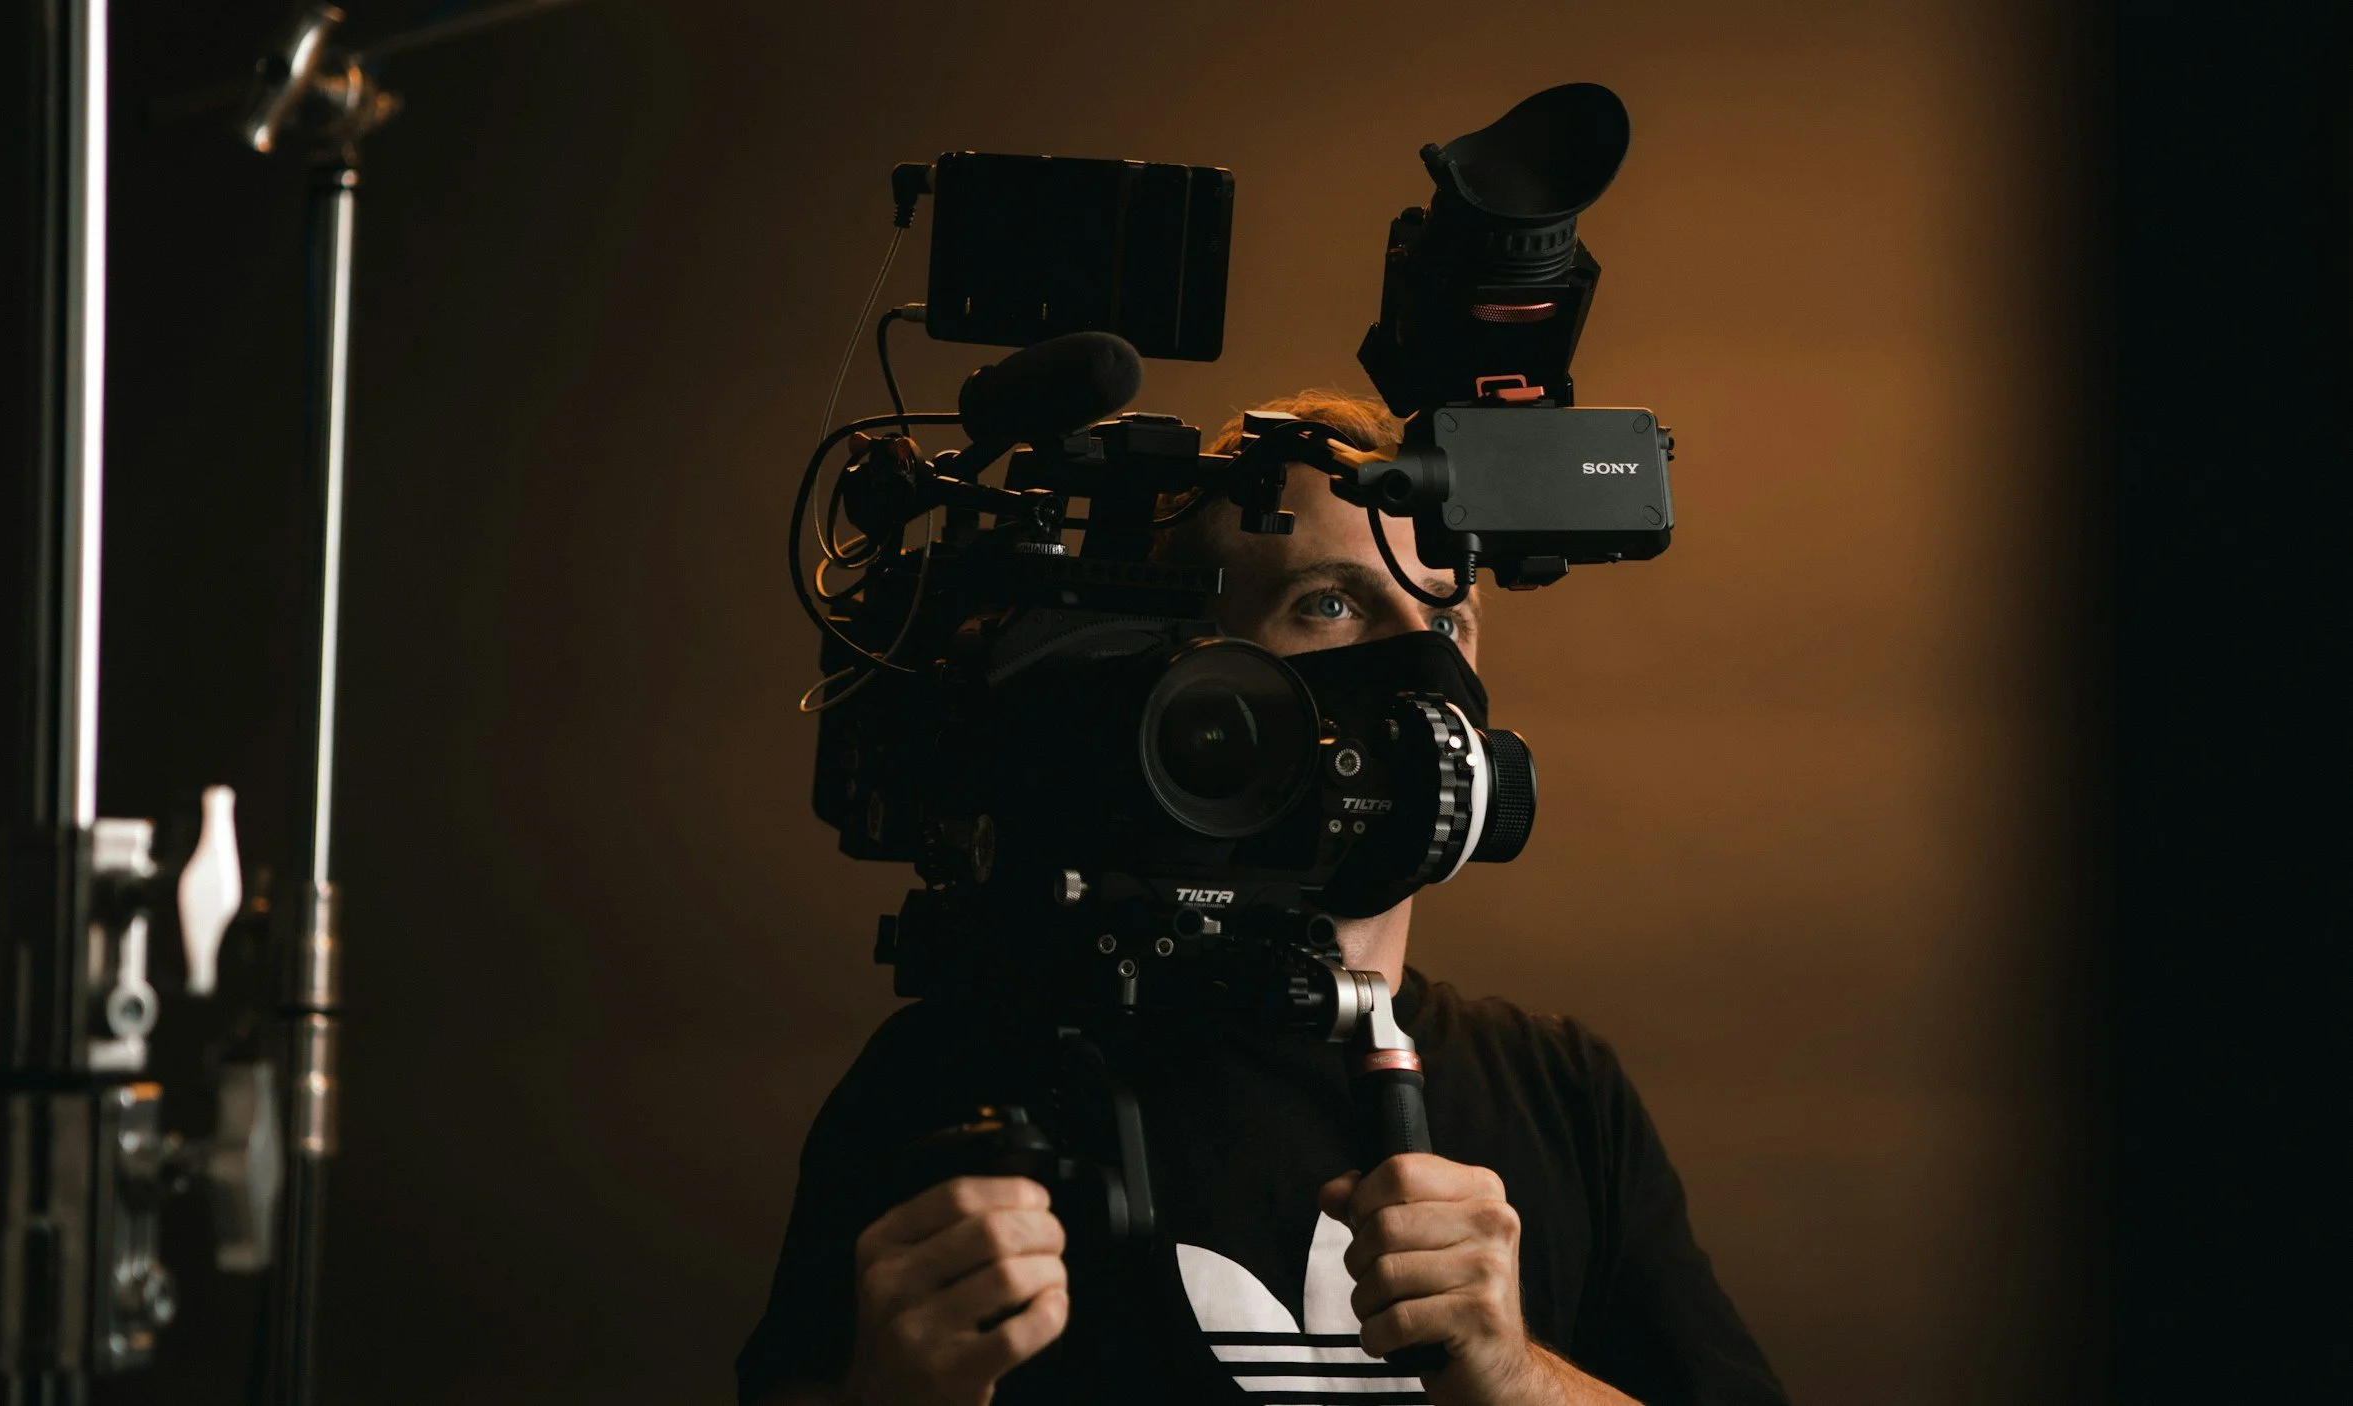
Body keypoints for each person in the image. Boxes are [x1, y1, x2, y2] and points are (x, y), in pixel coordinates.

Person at [740, 392, 1787, 1406]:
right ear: (1188, 685)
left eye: (1449, 616)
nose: (1422, 666)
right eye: (1329, 603)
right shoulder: (962, 1071)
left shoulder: (1561, 1090)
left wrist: (1514, 1374)